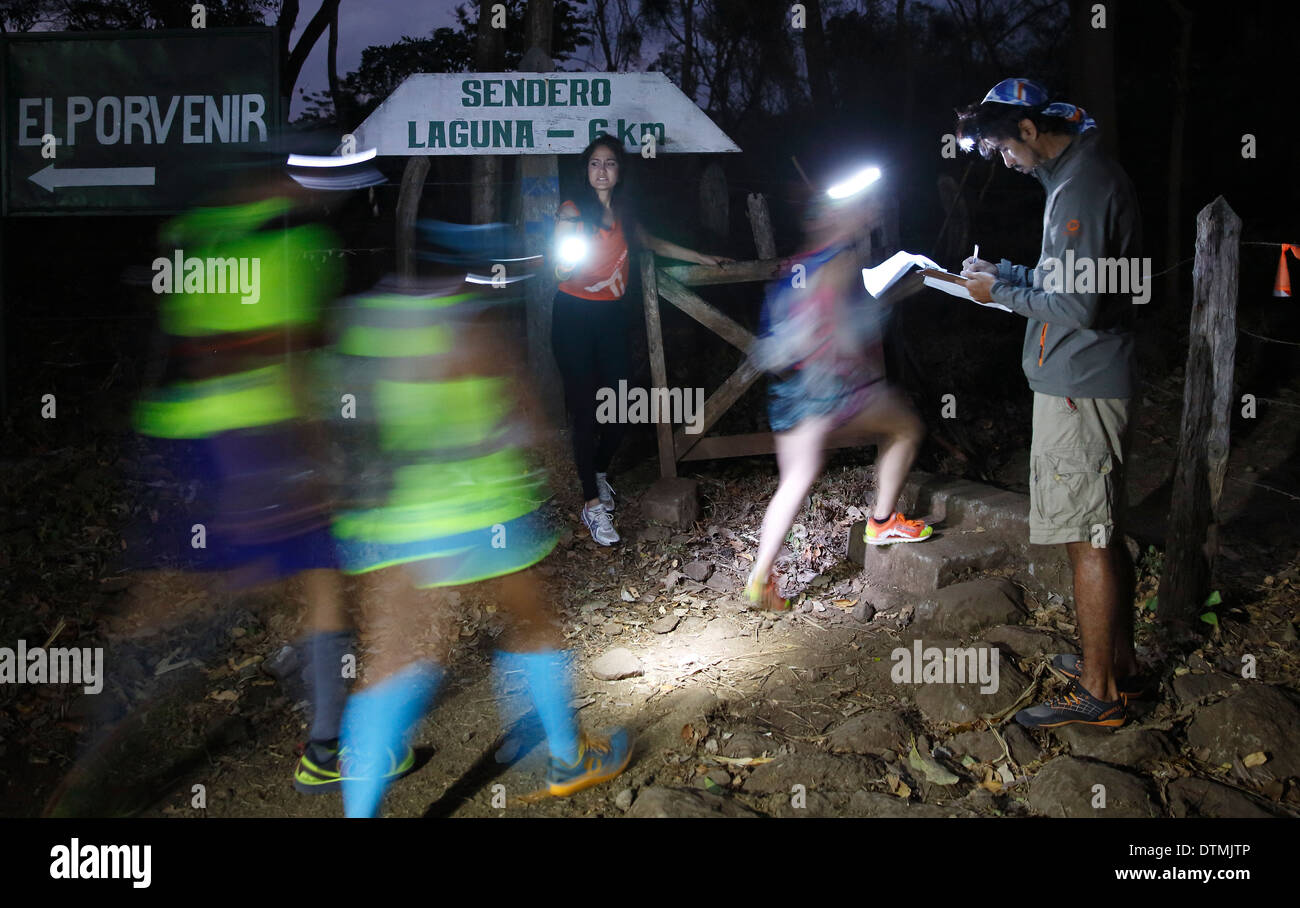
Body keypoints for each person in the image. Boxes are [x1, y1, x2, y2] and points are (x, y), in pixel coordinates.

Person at [325, 222, 632, 818]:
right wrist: (549, 475)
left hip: (390, 523)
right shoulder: (473, 324)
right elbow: (524, 413)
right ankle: (569, 759)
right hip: (485, 514)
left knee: (393, 661)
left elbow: (341, 423)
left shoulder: (368, 318)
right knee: (533, 624)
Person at [956, 78, 1141, 728]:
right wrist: (1006, 274)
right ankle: (1115, 660)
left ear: (1029, 132)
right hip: (1073, 383)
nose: (1003, 161)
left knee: (1088, 537)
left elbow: (1080, 306)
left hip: (1080, 389)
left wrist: (997, 297)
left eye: (1003, 148)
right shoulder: (1070, 178)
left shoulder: (1083, 187)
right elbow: (1068, 280)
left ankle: (1101, 695)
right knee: (1092, 529)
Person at [745, 166, 933, 611]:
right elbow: (846, 334)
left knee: (794, 479)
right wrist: (892, 300)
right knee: (905, 425)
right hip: (827, 390)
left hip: (788, 391)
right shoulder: (840, 260)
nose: (868, 215)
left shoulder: (796, 263)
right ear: (839, 218)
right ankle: (882, 520)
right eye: (861, 210)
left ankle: (759, 578)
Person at [551, 133, 731, 546]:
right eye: (595, 163)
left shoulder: (625, 214)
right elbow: (560, 266)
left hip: (611, 317)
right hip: (574, 317)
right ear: (586, 170)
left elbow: (651, 243)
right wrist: (564, 263)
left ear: (619, 171)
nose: (602, 170)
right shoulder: (572, 210)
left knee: (622, 402)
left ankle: (597, 468)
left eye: (609, 163)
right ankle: (592, 504)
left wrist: (700, 257)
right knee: (583, 409)